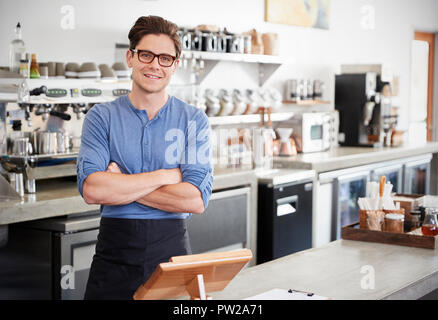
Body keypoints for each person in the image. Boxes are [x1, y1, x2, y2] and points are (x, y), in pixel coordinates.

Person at [76, 15, 213, 300]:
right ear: (131, 57)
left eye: (165, 58)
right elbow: (93, 190)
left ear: (175, 65)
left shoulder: (193, 120)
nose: (155, 65)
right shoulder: (101, 117)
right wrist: (166, 175)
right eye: (147, 55)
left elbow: (195, 200)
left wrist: (122, 183)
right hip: (113, 255)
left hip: (172, 252)